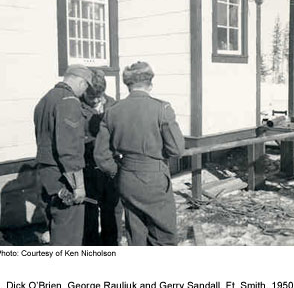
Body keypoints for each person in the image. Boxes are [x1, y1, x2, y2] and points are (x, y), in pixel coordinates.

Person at [94, 61, 185, 246]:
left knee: (136, 235)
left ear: (128, 85)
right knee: (163, 237)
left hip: (126, 178)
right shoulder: (162, 109)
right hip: (154, 179)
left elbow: (101, 155)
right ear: (150, 83)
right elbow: (177, 149)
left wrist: (117, 172)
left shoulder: (112, 111)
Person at [34, 64, 93, 246]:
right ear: (80, 81)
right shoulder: (69, 101)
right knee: (69, 235)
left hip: (46, 174)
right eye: (86, 86)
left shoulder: (45, 99)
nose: (84, 92)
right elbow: (69, 149)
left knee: (55, 227)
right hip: (63, 177)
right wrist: (78, 185)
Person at [81, 70, 123, 246]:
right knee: (89, 208)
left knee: (112, 207)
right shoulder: (75, 106)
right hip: (88, 166)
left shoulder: (113, 104)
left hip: (109, 165)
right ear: (83, 90)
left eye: (100, 96)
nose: (97, 100)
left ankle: (112, 242)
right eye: (92, 96)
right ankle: (91, 245)